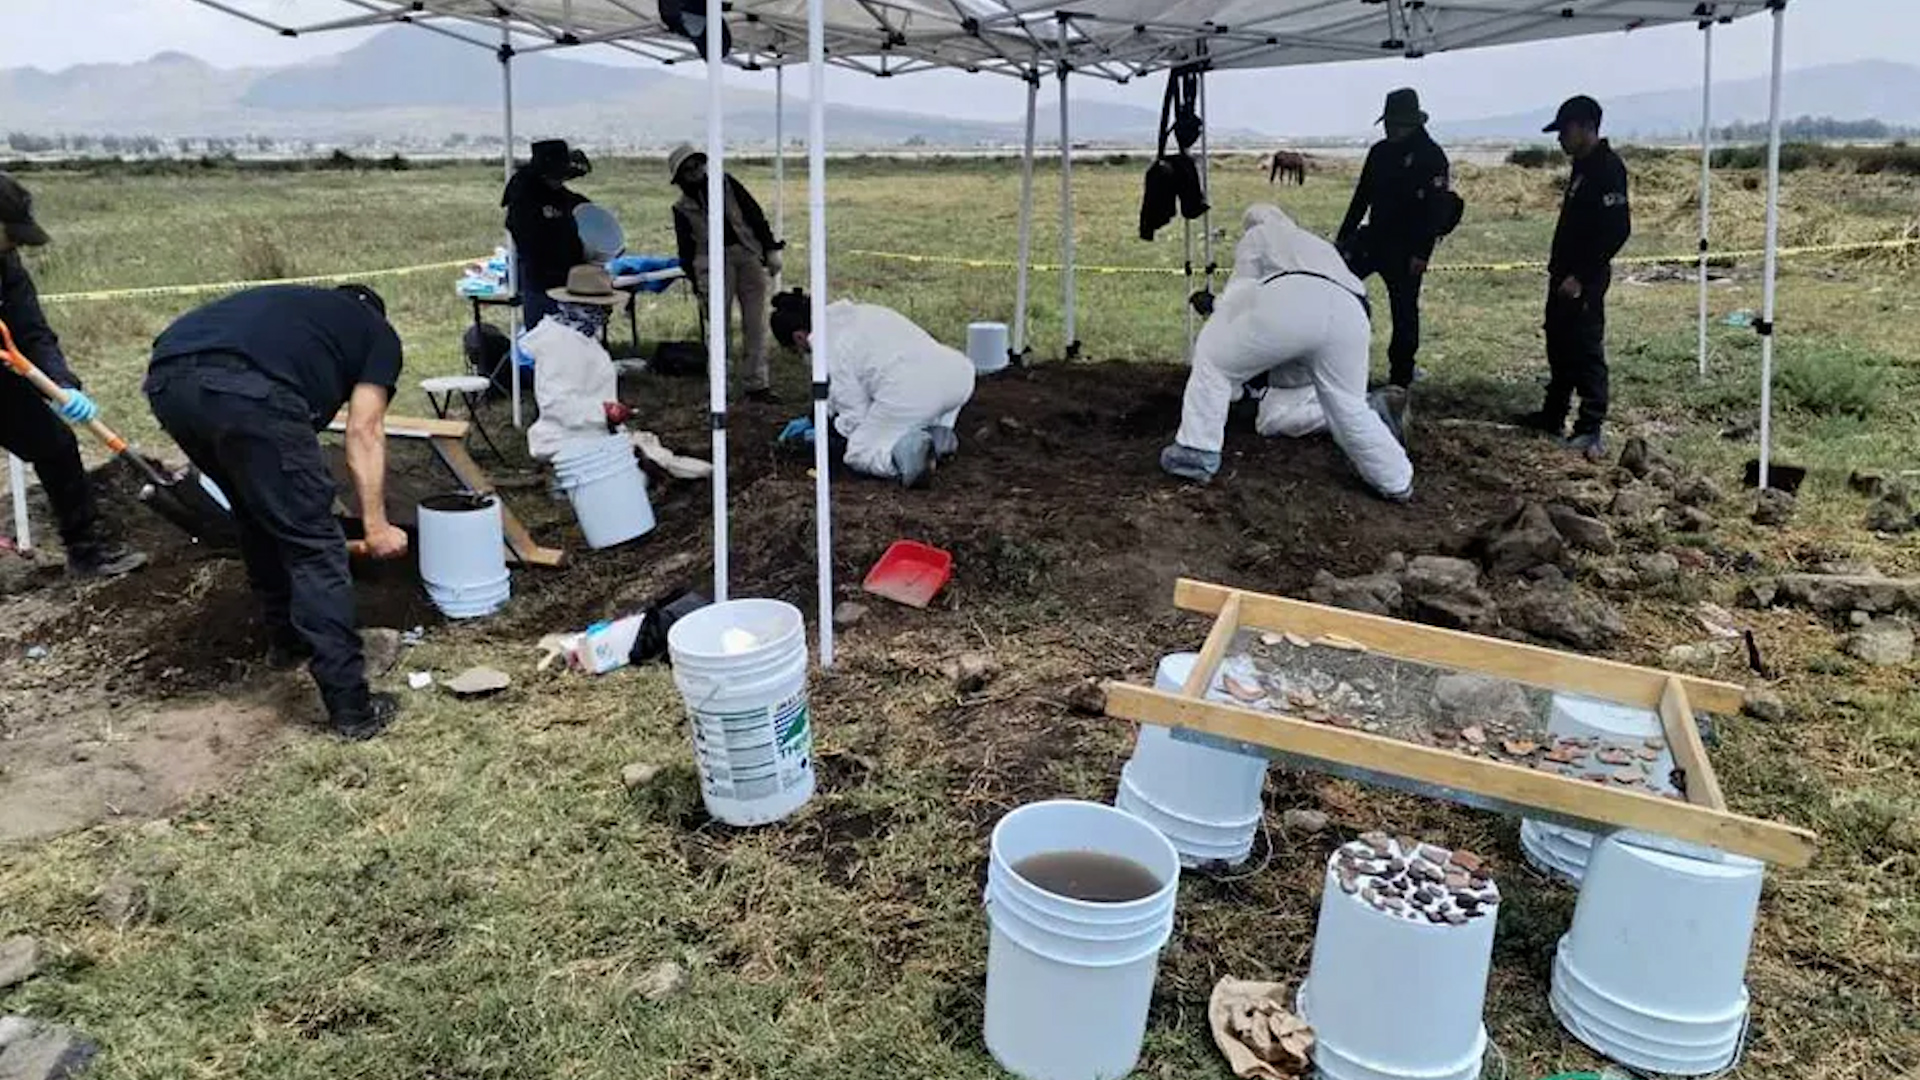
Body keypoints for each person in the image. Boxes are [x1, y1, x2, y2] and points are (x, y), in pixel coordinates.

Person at [143, 285, 408, 740]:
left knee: (256, 515)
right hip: (250, 392)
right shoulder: (378, 335)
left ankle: (288, 644)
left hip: (169, 382)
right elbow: (364, 430)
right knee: (314, 546)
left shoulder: (299, 311)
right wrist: (376, 526)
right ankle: (352, 710)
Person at [1161, 204, 1413, 502]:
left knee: (1213, 358)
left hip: (1290, 303)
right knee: (1346, 405)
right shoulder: (1317, 245)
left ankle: (1195, 452)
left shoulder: (1259, 236)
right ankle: (1396, 478)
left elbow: (1240, 296)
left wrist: (1214, 308)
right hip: (1350, 312)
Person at [0, 172, 147, 576]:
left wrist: (63, 385)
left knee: (56, 445)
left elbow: (32, 331)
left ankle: (86, 553)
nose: (15, 243)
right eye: (10, 232)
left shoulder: (6, 265)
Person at [1517, 95, 1631, 462]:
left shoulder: (1607, 169)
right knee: (1559, 344)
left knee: (1585, 348)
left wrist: (1581, 276)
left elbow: (1616, 230)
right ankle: (1553, 414)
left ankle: (1590, 427)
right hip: (1563, 276)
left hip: (1584, 278)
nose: (1560, 140)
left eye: (1564, 130)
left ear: (1584, 127)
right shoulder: (1583, 167)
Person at [769, 290, 974, 488]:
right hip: (957, 375)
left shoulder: (830, 348)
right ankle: (936, 437)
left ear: (799, 337)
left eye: (795, 351)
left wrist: (827, 436)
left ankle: (904, 462)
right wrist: (814, 418)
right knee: (896, 421)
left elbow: (855, 417)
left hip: (913, 390)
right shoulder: (860, 313)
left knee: (859, 452)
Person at [1337, 88, 1455, 390]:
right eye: (1387, 123)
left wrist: (1422, 253)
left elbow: (1435, 210)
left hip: (1407, 248)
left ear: (1412, 123)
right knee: (1337, 287)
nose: (1390, 129)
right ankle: (1332, 356)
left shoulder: (1431, 156)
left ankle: (1401, 374)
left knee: (1404, 310)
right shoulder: (1380, 152)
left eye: (1396, 123)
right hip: (1374, 239)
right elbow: (1361, 197)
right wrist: (1343, 240)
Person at [668, 144, 783, 400]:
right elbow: (685, 249)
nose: (694, 171)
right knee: (719, 327)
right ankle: (721, 384)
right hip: (710, 263)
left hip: (747, 254)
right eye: (687, 169)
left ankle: (757, 383)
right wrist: (697, 281)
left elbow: (754, 215)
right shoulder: (681, 208)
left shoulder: (727, 185)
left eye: (696, 165)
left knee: (755, 322)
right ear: (679, 178)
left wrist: (770, 249)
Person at [525, 265, 622, 461]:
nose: (607, 312)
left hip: (590, 435)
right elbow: (556, 404)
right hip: (567, 442)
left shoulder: (579, 334)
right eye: (602, 307)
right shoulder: (561, 344)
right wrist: (604, 413)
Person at [503, 139, 591, 330]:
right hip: (540, 280)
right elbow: (522, 233)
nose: (559, 181)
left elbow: (573, 204)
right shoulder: (524, 194)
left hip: (569, 276)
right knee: (543, 335)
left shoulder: (560, 195)